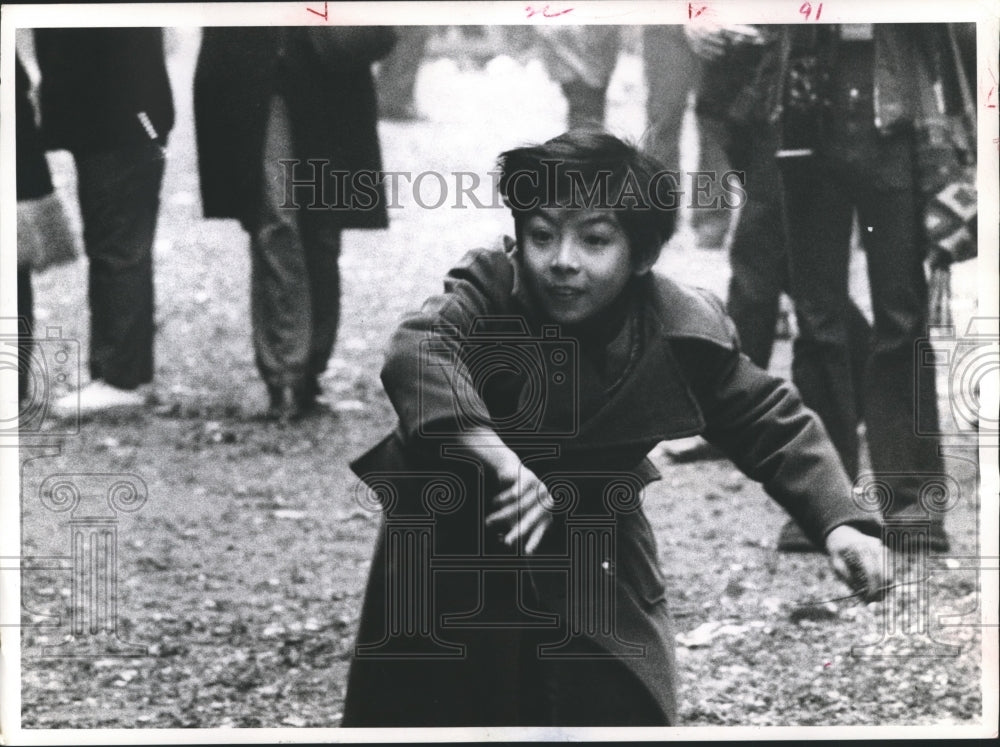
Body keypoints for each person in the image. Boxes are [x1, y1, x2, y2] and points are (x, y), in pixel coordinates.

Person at [341, 131, 889, 727]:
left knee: (618, 701)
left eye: (595, 239)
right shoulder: (489, 287)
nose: (563, 260)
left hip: (592, 532)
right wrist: (494, 455)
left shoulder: (680, 327)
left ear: (643, 255)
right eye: (542, 235)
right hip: (457, 525)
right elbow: (418, 350)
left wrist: (840, 523)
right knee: (431, 705)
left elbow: (769, 419)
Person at [768, 25, 965, 551]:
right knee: (817, 317)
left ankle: (912, 503)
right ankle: (824, 503)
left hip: (893, 109)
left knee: (901, 315)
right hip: (804, 105)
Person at [194, 27, 394, 419]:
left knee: (322, 229)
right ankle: (285, 372)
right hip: (256, 70)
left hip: (330, 71)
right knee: (276, 220)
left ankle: (311, 367)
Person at [33, 28, 173, 417]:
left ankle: (118, 378)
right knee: (117, 244)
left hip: (118, 118)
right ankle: (123, 374)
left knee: (117, 246)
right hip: (118, 118)